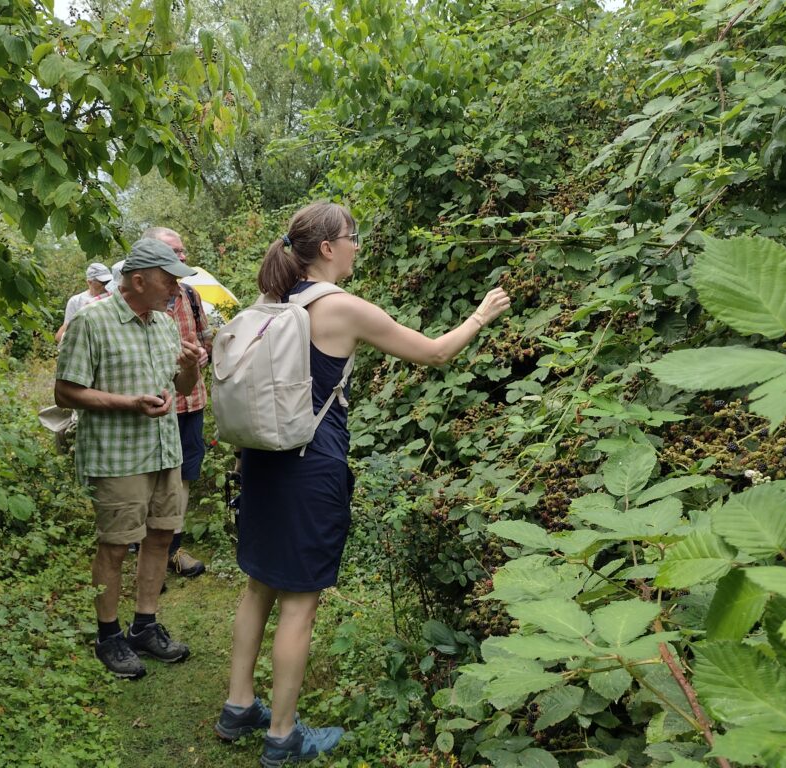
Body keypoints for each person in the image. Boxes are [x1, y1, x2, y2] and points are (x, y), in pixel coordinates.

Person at [214, 202, 510, 765]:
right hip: (309, 468)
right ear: (327, 247)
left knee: (257, 587)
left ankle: (238, 707)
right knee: (300, 603)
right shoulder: (340, 308)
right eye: (352, 237)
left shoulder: (273, 302)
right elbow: (436, 353)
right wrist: (481, 315)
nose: (356, 245)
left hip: (260, 463)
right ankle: (282, 737)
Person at [54, 238, 203, 680]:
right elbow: (65, 392)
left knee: (160, 537)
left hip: (164, 449)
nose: (176, 289)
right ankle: (108, 636)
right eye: (168, 279)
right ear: (138, 280)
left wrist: (192, 365)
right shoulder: (91, 322)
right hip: (118, 457)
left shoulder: (164, 322)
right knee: (116, 545)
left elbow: (180, 385)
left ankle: (144, 625)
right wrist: (127, 403)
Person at [144, 226, 213, 578]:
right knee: (149, 477)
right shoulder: (136, 299)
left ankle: (173, 549)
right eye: (175, 250)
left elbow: (206, 341)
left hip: (191, 400)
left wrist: (203, 355)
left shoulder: (190, 295)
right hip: (150, 405)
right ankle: (148, 551)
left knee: (185, 475)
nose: (183, 256)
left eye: (184, 251)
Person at [55, 262, 112, 343]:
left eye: (109, 281)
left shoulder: (113, 296)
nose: (106, 286)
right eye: (103, 283)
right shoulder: (76, 301)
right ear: (89, 282)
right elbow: (67, 328)